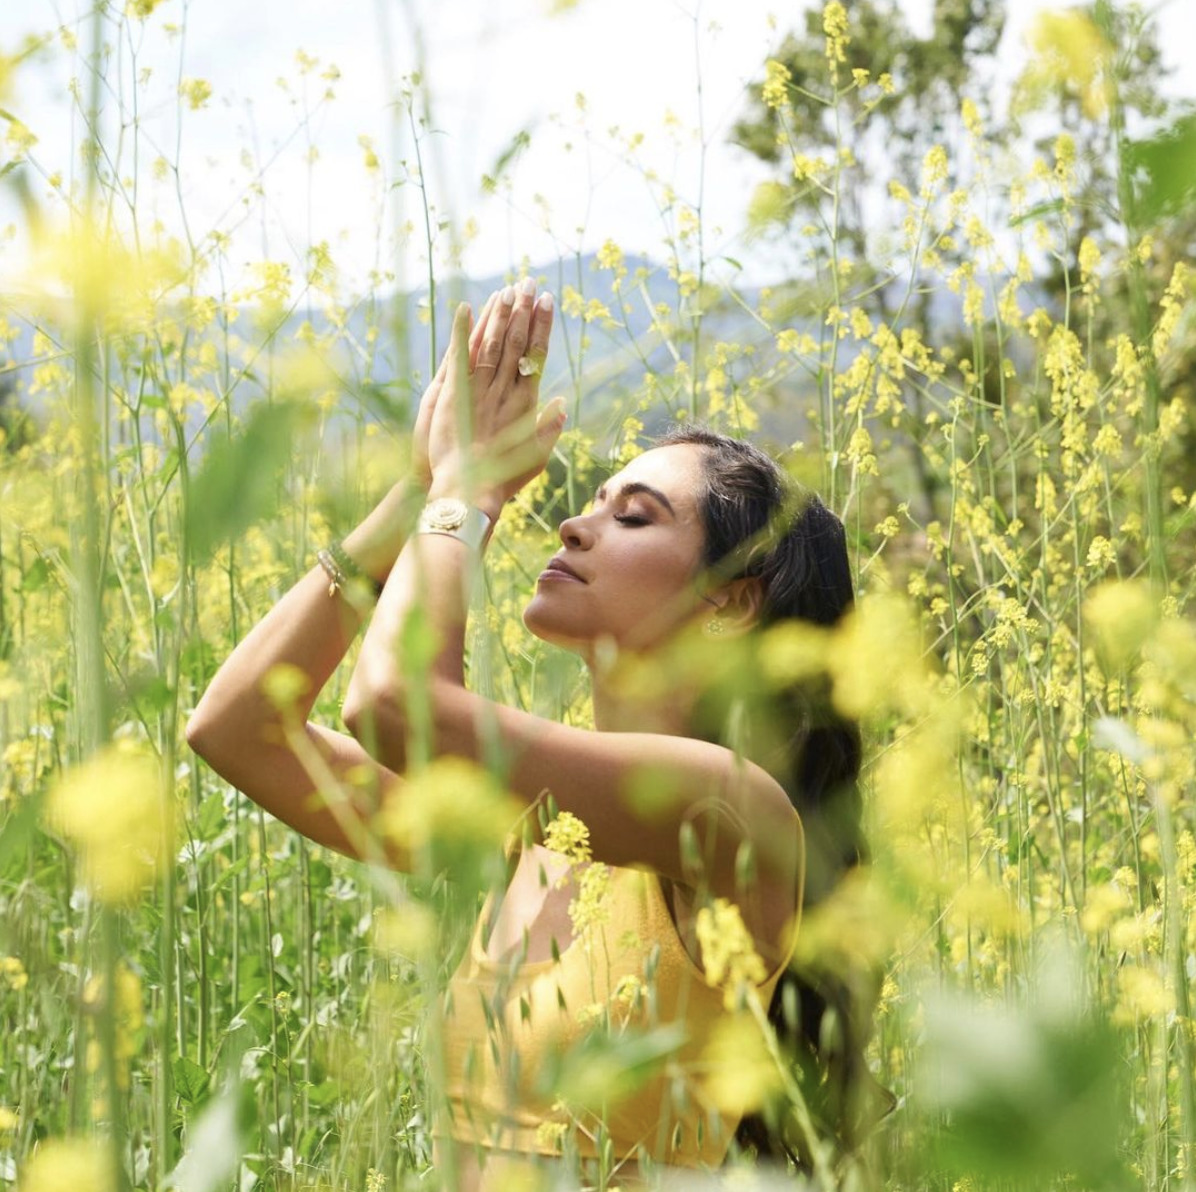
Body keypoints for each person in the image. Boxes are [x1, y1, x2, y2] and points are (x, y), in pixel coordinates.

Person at [186, 278, 871, 1189]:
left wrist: (465, 491)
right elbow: (238, 729)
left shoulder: (732, 812)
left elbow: (392, 708)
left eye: (632, 516)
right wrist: (415, 494)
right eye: (589, 502)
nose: (572, 524)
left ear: (732, 601)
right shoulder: (531, 835)